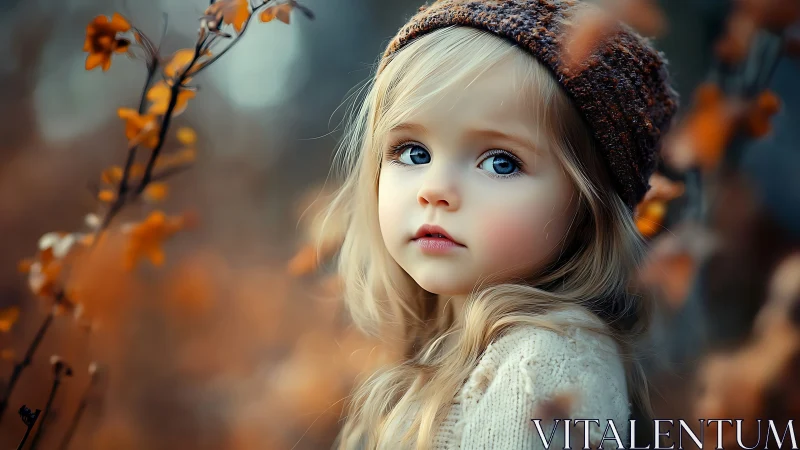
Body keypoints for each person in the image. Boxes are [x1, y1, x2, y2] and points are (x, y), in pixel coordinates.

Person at [318, 0, 679, 448]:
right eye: (413, 152)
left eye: (501, 163)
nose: (435, 189)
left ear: (589, 212)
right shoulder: (448, 350)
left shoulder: (547, 364)